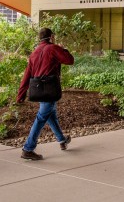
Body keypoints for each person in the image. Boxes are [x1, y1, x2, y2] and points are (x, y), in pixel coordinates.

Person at [16, 28, 75, 160]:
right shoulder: (53, 48)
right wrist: (63, 49)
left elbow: (27, 75)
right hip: (49, 89)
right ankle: (28, 149)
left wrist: (21, 94)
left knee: (51, 115)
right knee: (42, 117)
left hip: (38, 89)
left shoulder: (34, 53)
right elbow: (70, 60)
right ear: (51, 37)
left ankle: (62, 140)